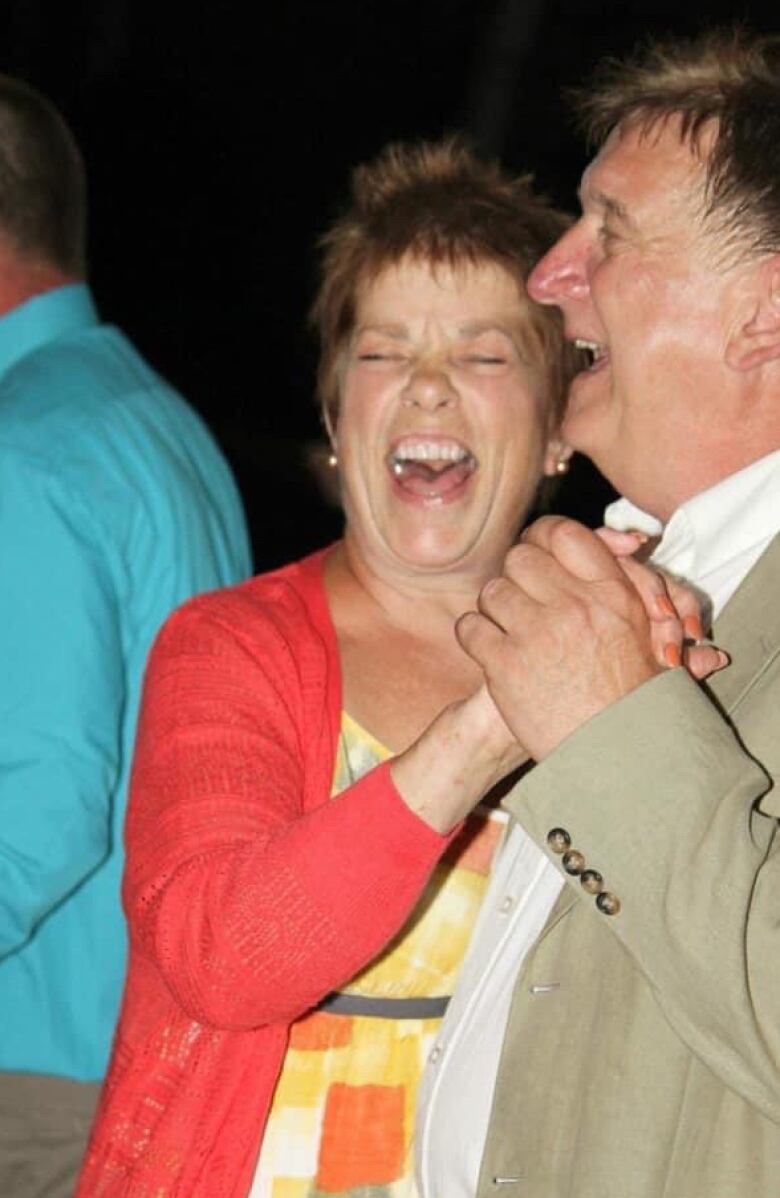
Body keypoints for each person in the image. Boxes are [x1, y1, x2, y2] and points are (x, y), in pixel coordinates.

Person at [76, 137, 601, 1196]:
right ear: (333, 414)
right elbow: (224, 956)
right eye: (383, 350)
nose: (428, 387)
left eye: (485, 354)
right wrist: (483, 728)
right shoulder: (229, 646)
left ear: (557, 432)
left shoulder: (611, 655)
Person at [416, 29, 780, 1198]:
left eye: (609, 233)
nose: (548, 274)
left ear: (766, 316)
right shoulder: (640, 565)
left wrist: (614, 728)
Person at [0, 75, 251, 1196]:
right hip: (139, 1049)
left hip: (34, 1071)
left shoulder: (24, 445)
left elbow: (40, 797)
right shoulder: (152, 416)